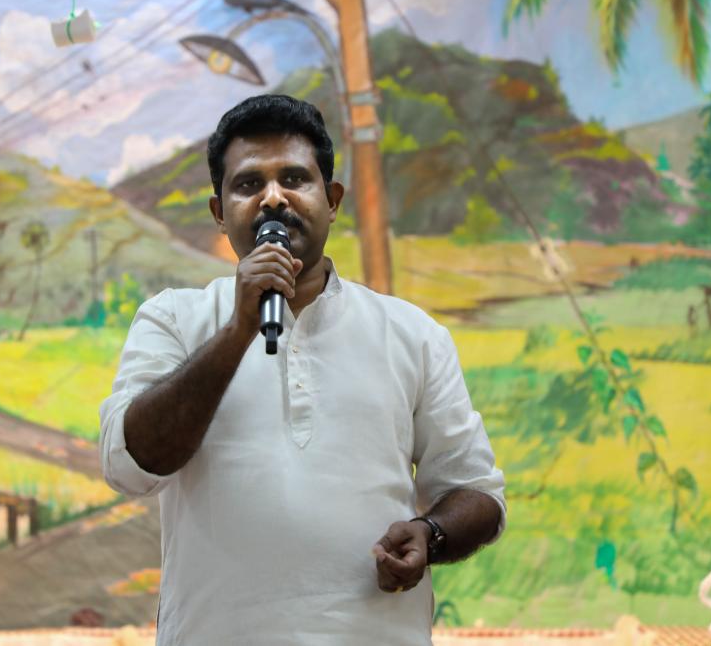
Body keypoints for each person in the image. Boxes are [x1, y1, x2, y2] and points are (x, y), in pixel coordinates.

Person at [99, 94, 505, 645]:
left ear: (331, 200)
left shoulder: (412, 334)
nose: (273, 198)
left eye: (294, 178)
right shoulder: (172, 319)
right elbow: (131, 465)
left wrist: (429, 534)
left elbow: (477, 492)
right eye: (248, 184)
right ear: (219, 212)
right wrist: (238, 328)